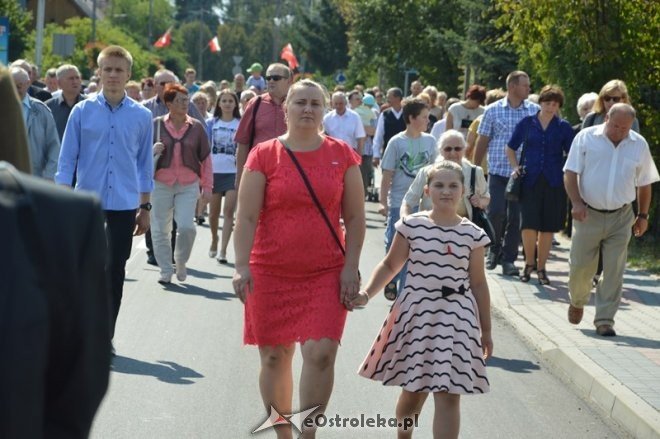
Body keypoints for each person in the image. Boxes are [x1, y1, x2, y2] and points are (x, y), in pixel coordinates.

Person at [232, 79, 365, 438]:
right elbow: (245, 217)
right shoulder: (264, 155)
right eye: (300, 102)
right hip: (270, 271)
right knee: (275, 357)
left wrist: (351, 267)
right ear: (286, 108)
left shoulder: (343, 155)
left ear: (324, 111)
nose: (308, 109)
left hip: (325, 271)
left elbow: (355, 218)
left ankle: (308, 433)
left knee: (321, 353)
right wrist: (241, 266)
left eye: (315, 104)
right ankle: (283, 433)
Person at [350, 160, 492, 439]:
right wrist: (367, 293)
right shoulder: (411, 226)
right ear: (427, 190)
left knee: (450, 393)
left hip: (457, 317)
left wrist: (485, 330)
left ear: (463, 190)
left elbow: (478, 283)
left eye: (453, 186)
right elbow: (391, 265)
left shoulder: (473, 234)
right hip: (417, 313)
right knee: (413, 391)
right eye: (439, 185)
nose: (446, 191)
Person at [55, 45, 154, 348]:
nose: (112, 75)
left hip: (124, 205)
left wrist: (145, 206)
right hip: (86, 203)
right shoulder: (82, 111)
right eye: (107, 69)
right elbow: (67, 160)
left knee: (115, 269)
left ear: (128, 75)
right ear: (98, 72)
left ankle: (104, 335)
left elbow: (143, 164)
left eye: (118, 70)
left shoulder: (142, 116)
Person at [564, 103, 659, 337]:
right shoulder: (586, 138)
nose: (619, 131)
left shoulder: (638, 144)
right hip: (588, 213)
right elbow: (570, 172)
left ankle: (605, 320)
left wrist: (643, 215)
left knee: (615, 269)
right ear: (606, 118)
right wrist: (576, 202)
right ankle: (577, 300)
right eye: (615, 125)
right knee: (580, 267)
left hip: (621, 216)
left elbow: (645, 182)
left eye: (624, 128)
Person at [506, 85, 574, 285]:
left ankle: (542, 268)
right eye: (547, 103)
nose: (550, 107)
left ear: (558, 105)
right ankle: (528, 263)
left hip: (554, 181)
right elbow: (510, 147)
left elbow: (573, 153)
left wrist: (568, 172)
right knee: (528, 224)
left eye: (554, 104)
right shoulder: (527, 123)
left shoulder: (563, 127)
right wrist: (515, 167)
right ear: (540, 103)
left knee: (547, 227)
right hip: (530, 179)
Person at [474, 71, 540, 276]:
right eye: (525, 85)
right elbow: (482, 140)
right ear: (512, 87)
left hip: (523, 174)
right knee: (496, 212)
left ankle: (509, 260)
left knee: (515, 218)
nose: (529, 89)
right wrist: (474, 170)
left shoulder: (534, 111)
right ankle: (493, 249)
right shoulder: (493, 110)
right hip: (498, 171)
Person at [151, 84, 212, 284]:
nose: (185, 104)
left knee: (187, 227)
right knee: (160, 229)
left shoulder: (196, 127)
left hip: (188, 183)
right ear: (168, 104)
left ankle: (181, 260)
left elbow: (206, 158)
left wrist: (207, 187)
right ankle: (165, 270)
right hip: (160, 183)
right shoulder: (156, 124)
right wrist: (153, 150)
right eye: (179, 100)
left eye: (186, 100)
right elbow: (140, 155)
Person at [380, 98, 437, 300]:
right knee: (392, 243)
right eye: (424, 117)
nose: (427, 121)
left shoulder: (430, 141)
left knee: (414, 247)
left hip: (423, 204)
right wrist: (382, 201)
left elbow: (435, 172)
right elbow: (387, 174)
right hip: (398, 201)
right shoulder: (396, 142)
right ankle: (391, 279)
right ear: (412, 118)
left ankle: (405, 290)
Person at [401, 129, 489, 220]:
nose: (453, 153)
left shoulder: (475, 172)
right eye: (448, 149)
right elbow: (408, 202)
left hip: (463, 229)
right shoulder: (426, 172)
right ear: (440, 150)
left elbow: (486, 197)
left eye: (457, 148)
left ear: (464, 149)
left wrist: (480, 202)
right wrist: (405, 221)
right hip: (430, 227)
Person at [234, 63, 292, 189]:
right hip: (259, 172)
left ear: (289, 81)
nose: (271, 81)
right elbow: (242, 143)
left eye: (276, 78)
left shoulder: (297, 104)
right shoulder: (256, 104)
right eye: (268, 78)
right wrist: (240, 179)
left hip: (291, 171)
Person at [206, 88, 241, 263]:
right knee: (213, 214)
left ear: (236, 104)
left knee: (228, 212)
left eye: (230, 101)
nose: (227, 104)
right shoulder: (211, 123)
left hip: (233, 173)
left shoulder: (240, 124)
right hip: (214, 172)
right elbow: (204, 148)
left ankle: (223, 251)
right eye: (224, 100)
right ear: (219, 103)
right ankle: (214, 239)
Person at [10, 66, 60, 179]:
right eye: (11, 86)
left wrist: (48, 177)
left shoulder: (41, 111)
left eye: (18, 86)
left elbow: (54, 147)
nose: (14, 90)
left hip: (34, 178)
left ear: (28, 84)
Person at [465, 88, 506, 173]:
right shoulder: (507, 123)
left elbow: (469, 146)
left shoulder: (479, 121)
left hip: (480, 167)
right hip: (500, 169)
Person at [45, 65, 86, 141]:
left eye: (77, 78)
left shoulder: (90, 105)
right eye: (71, 78)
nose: (75, 81)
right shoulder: (48, 107)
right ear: (59, 83)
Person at [372, 87, 405, 167]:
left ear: (397, 98)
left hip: (405, 154)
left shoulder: (407, 114)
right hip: (388, 153)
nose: (387, 99)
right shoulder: (384, 114)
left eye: (389, 97)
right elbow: (379, 135)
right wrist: (376, 155)